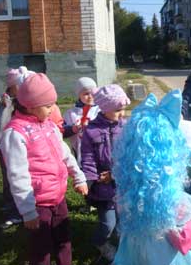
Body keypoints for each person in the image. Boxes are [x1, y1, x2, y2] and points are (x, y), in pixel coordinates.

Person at [0, 73, 88, 265]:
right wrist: (28, 211)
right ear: (31, 106)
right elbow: (17, 175)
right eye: (48, 105)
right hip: (38, 203)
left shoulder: (49, 125)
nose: (53, 109)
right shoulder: (16, 133)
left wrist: (78, 176)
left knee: (64, 240)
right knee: (41, 249)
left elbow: (64, 152)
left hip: (58, 197)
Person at [112, 89, 191, 265]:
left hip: (133, 250)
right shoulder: (174, 201)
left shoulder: (126, 193)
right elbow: (184, 231)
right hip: (164, 257)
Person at [80, 84, 130, 262]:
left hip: (123, 184)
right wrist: (90, 181)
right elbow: (87, 158)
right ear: (105, 108)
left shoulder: (126, 128)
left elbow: (130, 156)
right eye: (118, 110)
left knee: (123, 220)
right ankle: (101, 242)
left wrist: (117, 174)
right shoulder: (91, 131)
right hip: (103, 187)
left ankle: (118, 245)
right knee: (108, 223)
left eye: (123, 109)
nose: (122, 114)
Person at [0, 68, 23, 228]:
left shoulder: (24, 100)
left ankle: (25, 207)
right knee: (8, 179)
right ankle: (12, 210)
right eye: (18, 84)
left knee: (22, 177)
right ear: (11, 85)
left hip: (21, 147)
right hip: (4, 147)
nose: (21, 87)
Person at [63, 77, 100, 162]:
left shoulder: (100, 110)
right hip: (80, 153)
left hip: (98, 150)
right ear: (79, 95)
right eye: (86, 94)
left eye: (93, 93)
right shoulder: (71, 113)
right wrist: (73, 129)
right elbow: (62, 131)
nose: (90, 97)